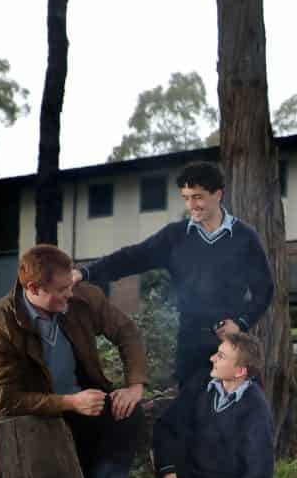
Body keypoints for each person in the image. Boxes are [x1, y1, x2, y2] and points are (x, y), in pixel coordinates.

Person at [0, 243, 148, 478]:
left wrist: (134, 385)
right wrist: (68, 403)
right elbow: (6, 399)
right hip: (33, 419)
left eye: (71, 285)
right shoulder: (0, 326)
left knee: (128, 415)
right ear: (33, 288)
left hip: (83, 401)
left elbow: (126, 330)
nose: (70, 294)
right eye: (61, 290)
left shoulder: (81, 297)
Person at [75, 161, 273, 385]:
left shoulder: (245, 237)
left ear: (217, 195)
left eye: (197, 197)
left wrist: (240, 323)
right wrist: (85, 273)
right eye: (186, 197)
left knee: (240, 413)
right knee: (191, 414)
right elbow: (131, 257)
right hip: (190, 345)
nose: (191, 205)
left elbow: (264, 289)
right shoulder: (174, 237)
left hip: (233, 344)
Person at [130, 333, 276, 478]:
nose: (212, 358)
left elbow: (260, 475)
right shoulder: (200, 386)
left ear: (240, 371)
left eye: (221, 355)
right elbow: (166, 427)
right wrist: (168, 474)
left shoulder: (255, 407)